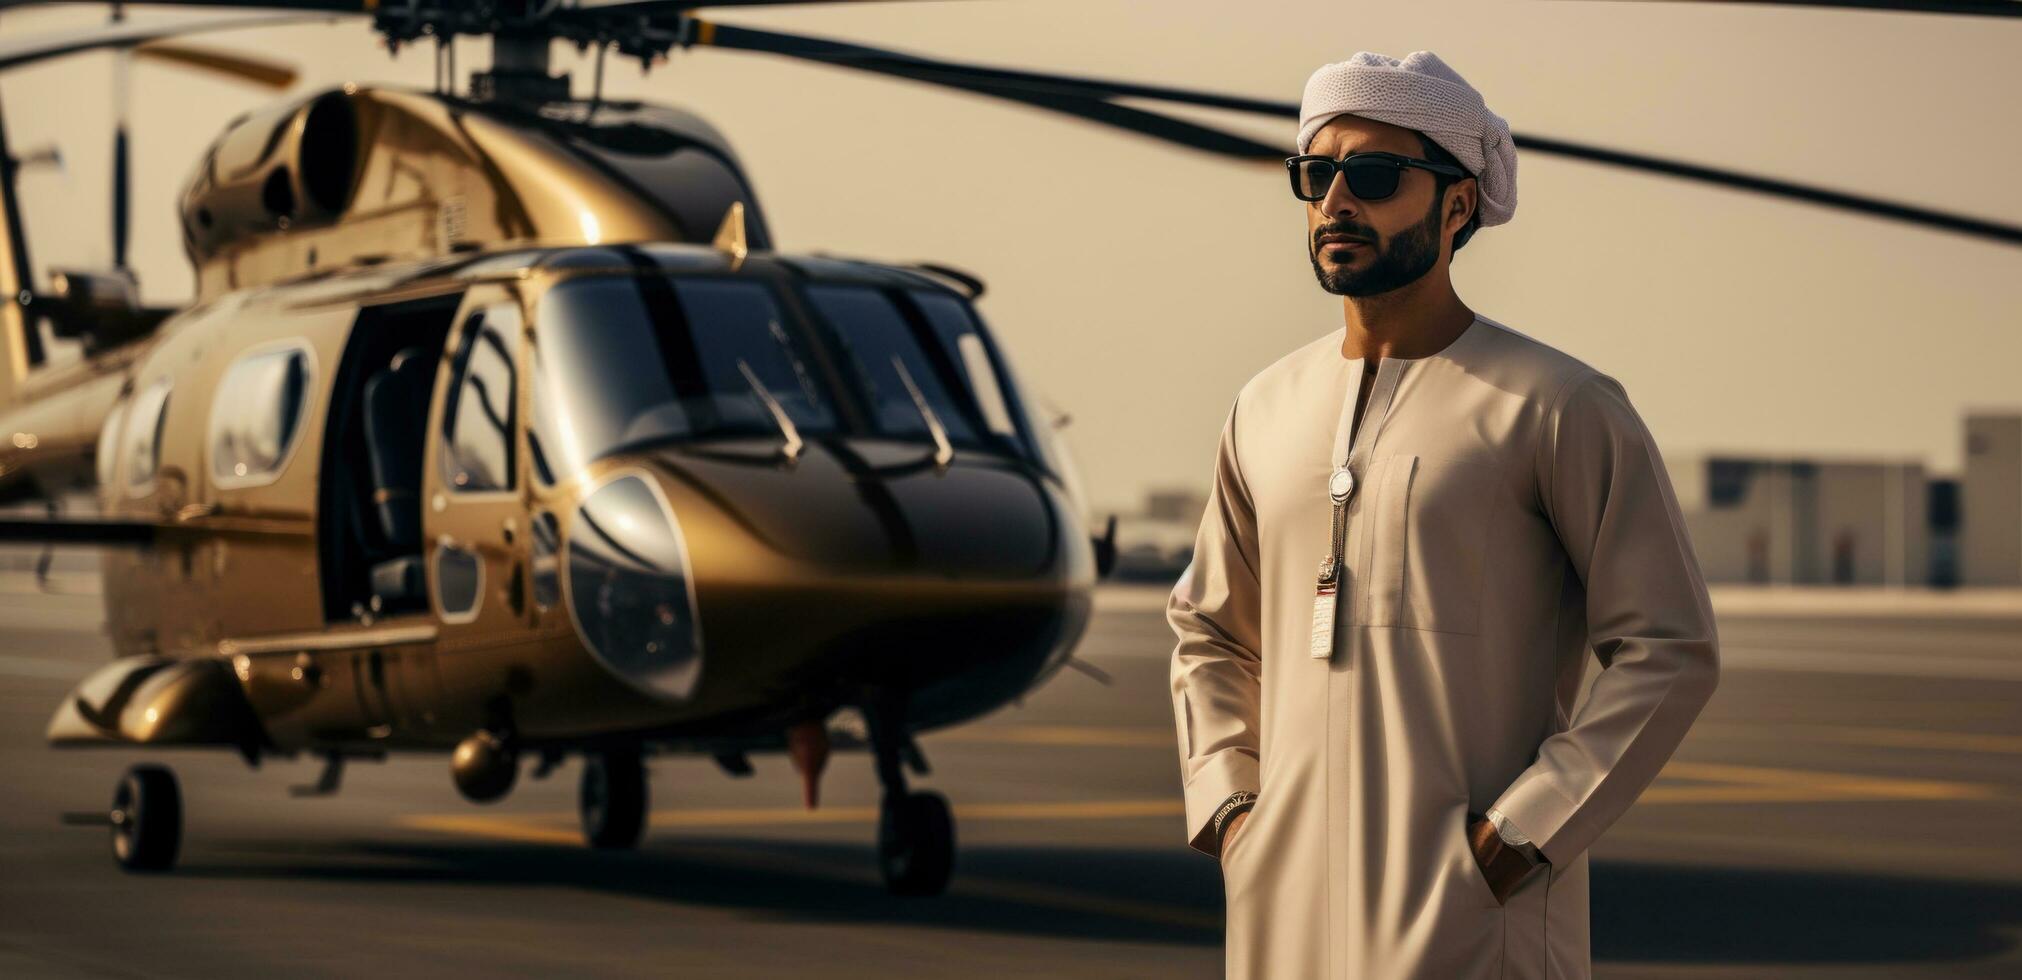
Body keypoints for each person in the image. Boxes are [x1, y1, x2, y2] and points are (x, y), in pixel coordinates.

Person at [1167, 50, 1720, 979]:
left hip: (1471, 920)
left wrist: (1521, 835)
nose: (1338, 201)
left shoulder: (1555, 404)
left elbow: (1669, 646)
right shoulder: (1263, 408)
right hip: (1283, 916)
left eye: (1375, 176)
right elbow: (1212, 631)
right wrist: (1232, 811)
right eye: (1317, 174)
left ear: (1457, 204)